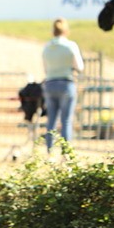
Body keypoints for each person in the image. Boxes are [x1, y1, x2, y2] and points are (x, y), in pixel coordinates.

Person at [40, 17, 84, 152]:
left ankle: (49, 152)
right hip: (66, 84)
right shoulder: (71, 46)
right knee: (66, 121)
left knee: (51, 120)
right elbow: (80, 67)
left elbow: (46, 69)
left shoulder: (47, 47)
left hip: (50, 84)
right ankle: (66, 154)